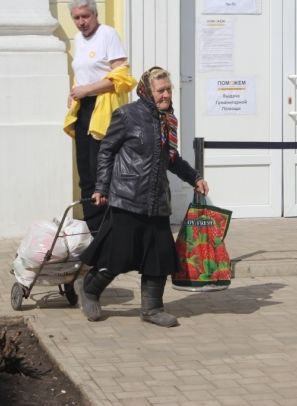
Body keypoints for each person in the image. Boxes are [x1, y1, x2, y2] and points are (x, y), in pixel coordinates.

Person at [75, 67, 209, 327]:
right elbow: (106, 152)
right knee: (118, 256)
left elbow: (172, 159)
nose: (166, 95)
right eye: (161, 90)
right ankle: (89, 290)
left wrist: (195, 178)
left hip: (157, 200)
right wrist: (101, 187)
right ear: (147, 91)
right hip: (127, 197)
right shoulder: (126, 115)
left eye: (169, 89)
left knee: (159, 256)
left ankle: (152, 308)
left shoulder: (168, 120)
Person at [63, 0, 136, 233]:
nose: (81, 22)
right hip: (83, 108)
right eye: (76, 18)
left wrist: (87, 90)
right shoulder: (78, 39)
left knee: (101, 171)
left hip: (104, 109)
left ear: (95, 15)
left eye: (85, 16)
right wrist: (75, 92)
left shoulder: (107, 34)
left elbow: (122, 78)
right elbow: (84, 73)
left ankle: (109, 229)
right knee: (85, 171)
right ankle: (93, 229)